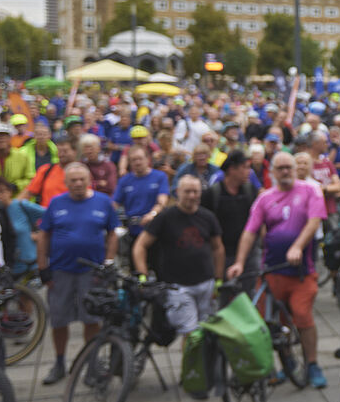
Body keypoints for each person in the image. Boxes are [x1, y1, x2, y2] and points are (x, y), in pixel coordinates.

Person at [226, 151, 328, 388]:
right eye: (280, 168)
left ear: (295, 169)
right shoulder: (265, 198)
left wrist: (298, 246)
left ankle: (312, 363)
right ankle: (288, 363)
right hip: (272, 270)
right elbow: (250, 231)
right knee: (273, 322)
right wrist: (240, 262)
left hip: (301, 271)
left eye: (288, 167)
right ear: (272, 171)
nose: (285, 172)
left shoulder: (310, 190)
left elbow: (314, 221)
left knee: (302, 315)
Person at [36, 162, 119, 386]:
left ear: (89, 180)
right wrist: (43, 267)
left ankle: (91, 363)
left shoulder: (103, 202)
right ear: (66, 183)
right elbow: (43, 235)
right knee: (59, 320)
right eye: (73, 180)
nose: (78, 183)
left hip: (92, 273)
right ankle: (59, 362)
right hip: (61, 271)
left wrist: (109, 261)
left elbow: (113, 233)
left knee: (91, 320)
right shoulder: (56, 203)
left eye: (82, 179)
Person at [133, 173, 224, 337]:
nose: (192, 196)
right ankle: (190, 363)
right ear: (177, 192)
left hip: (206, 283)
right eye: (187, 191)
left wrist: (218, 278)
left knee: (207, 332)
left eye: (195, 192)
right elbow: (140, 245)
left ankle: (206, 363)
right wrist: (143, 274)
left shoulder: (208, 217)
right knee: (190, 334)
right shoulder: (165, 217)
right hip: (178, 286)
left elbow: (218, 248)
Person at [202, 151, 259, 297]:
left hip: (249, 256)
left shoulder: (251, 191)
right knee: (225, 298)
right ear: (232, 169)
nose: (249, 172)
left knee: (249, 297)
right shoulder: (212, 194)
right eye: (245, 167)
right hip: (222, 256)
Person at [113, 146, 170, 272]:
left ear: (147, 159)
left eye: (140, 159)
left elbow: (162, 201)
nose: (137, 162)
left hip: (155, 231)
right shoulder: (125, 181)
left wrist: (152, 214)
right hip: (134, 231)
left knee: (159, 268)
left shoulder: (159, 177)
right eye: (133, 160)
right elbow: (114, 204)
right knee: (136, 271)